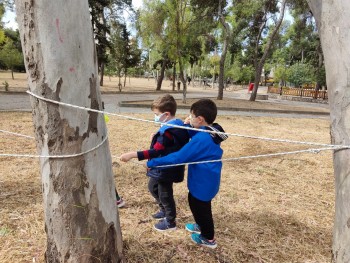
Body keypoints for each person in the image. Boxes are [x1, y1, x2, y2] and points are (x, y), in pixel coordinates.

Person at [146, 99, 227, 249]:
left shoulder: (202, 139)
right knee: (198, 205)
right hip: (208, 179)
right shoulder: (212, 130)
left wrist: (152, 162)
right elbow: (195, 132)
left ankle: (208, 238)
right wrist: (188, 125)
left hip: (202, 182)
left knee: (200, 208)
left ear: (200, 119)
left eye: (192, 115)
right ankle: (200, 225)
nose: (189, 118)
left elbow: (178, 157)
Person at [120, 94, 189, 231]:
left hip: (165, 169)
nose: (155, 116)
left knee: (165, 194)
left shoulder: (168, 132)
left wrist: (133, 155)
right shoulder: (176, 125)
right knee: (153, 187)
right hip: (162, 167)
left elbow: (155, 152)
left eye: (157, 114)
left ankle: (170, 221)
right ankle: (163, 209)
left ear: (166, 114)